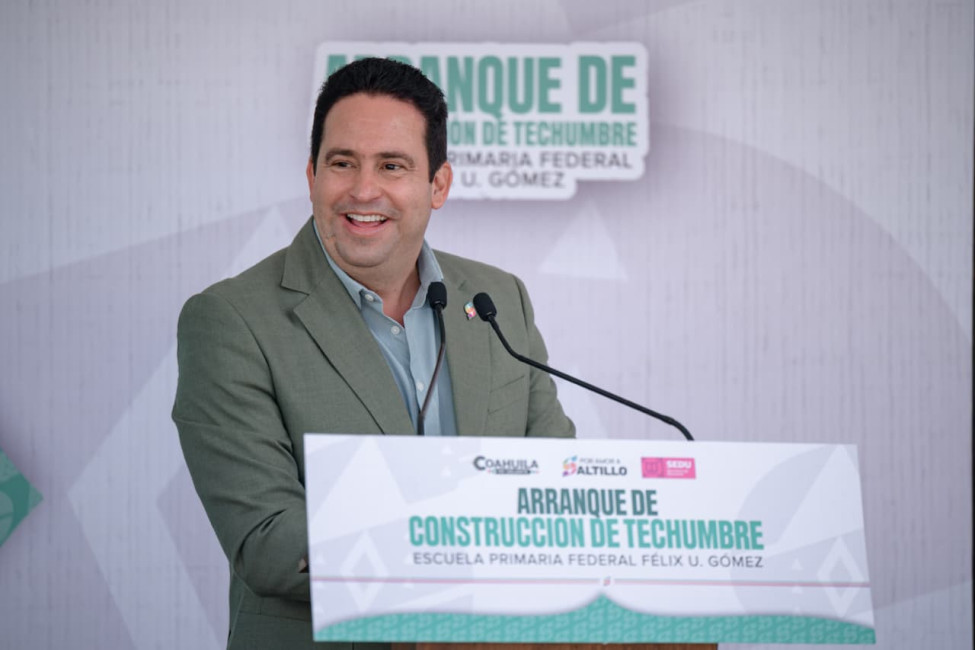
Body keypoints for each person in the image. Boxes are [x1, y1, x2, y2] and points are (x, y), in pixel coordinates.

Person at [173, 57, 574, 650]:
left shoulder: (498, 300)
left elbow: (556, 488)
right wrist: (468, 551)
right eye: (342, 163)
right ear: (312, 175)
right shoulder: (231, 321)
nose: (363, 190)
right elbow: (269, 542)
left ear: (438, 185)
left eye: (392, 165)